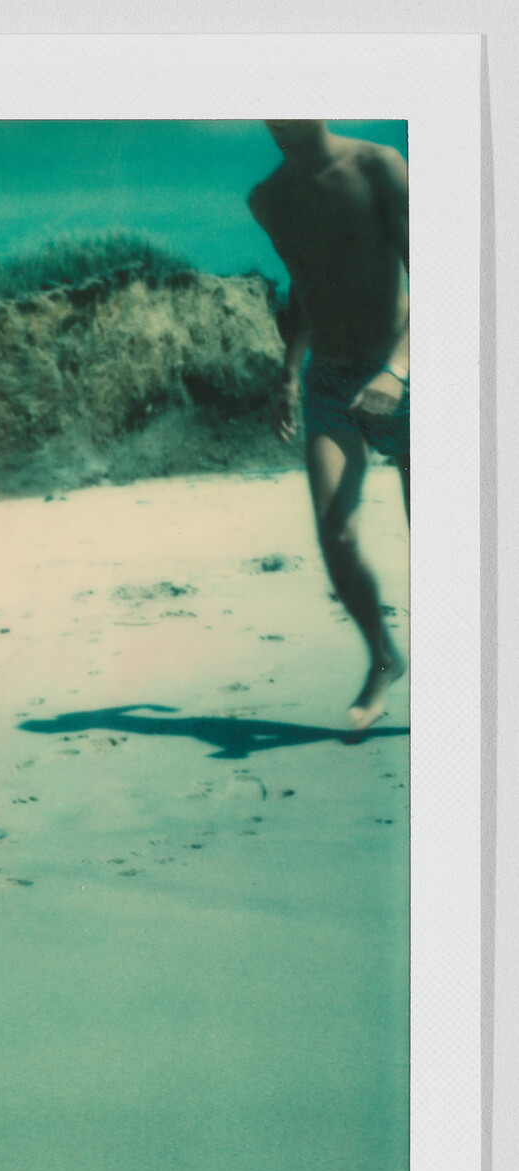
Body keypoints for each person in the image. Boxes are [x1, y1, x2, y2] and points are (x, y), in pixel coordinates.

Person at [248, 120, 409, 731]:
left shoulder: (378, 166)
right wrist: (289, 373)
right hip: (330, 382)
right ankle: (383, 657)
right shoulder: (267, 199)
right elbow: (307, 284)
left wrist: (397, 371)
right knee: (335, 534)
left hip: (405, 371)